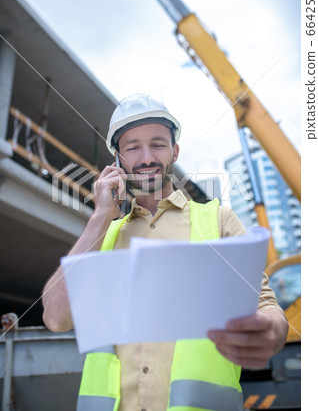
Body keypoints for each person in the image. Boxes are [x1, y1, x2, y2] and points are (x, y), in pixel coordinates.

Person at [42, 93, 288, 411]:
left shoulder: (217, 220)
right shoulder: (104, 236)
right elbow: (55, 317)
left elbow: (266, 305)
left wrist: (270, 329)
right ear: (118, 160)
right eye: (133, 147)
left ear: (174, 151)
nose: (147, 157)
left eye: (158, 143)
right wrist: (99, 217)